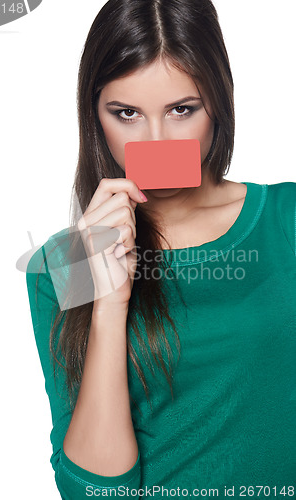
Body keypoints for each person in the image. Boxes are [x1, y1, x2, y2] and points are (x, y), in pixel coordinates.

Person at [26, 0, 296, 498]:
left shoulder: (287, 220)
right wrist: (108, 304)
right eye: (126, 113)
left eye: (181, 110)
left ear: (220, 102)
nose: (155, 142)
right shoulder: (62, 264)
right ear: (95, 116)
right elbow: (93, 492)